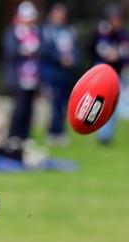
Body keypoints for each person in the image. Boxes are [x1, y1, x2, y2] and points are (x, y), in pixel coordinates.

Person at [90, 5, 129, 145]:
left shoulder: (123, 35)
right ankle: (101, 135)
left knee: (113, 107)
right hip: (102, 75)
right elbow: (102, 51)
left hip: (116, 76)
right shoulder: (102, 32)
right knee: (100, 105)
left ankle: (106, 136)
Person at [40, 3, 78, 146]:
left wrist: (72, 60)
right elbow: (44, 50)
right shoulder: (46, 31)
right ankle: (53, 132)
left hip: (66, 74)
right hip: (52, 72)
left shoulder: (69, 31)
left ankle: (61, 131)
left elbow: (75, 49)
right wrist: (59, 59)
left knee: (64, 104)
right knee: (54, 103)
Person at [3, 1, 41, 142]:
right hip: (18, 77)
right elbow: (9, 52)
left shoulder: (37, 32)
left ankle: (25, 136)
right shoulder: (13, 32)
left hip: (33, 77)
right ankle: (14, 136)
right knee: (18, 108)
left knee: (29, 108)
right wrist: (23, 51)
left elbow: (44, 51)